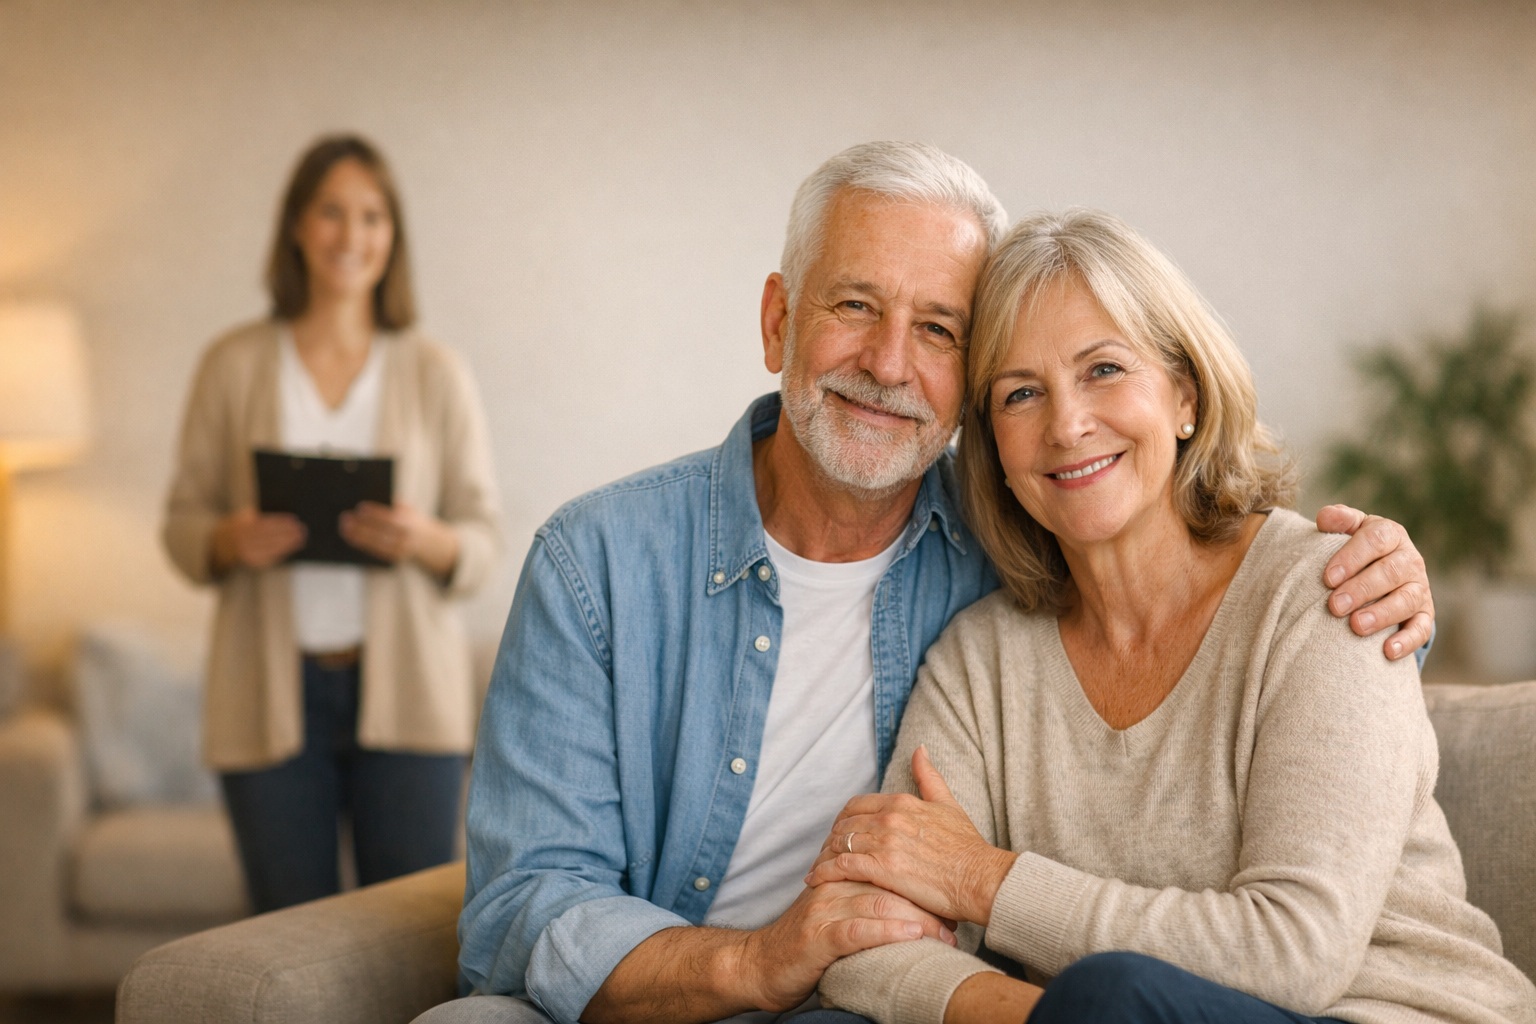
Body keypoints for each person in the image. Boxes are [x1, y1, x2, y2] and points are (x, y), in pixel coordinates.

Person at [436, 143, 1436, 1024]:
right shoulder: (604, 561)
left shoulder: (1296, 584)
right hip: (698, 983)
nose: (887, 363)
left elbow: (1296, 894)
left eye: (939, 331)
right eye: (855, 305)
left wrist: (1385, 596)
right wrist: (757, 962)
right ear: (779, 321)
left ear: (1184, 391)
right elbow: (524, 906)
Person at [805, 209, 1536, 1024]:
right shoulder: (980, 664)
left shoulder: (1330, 592)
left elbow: (1294, 953)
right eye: (1021, 394)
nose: (1067, 424)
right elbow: (863, 946)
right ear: (994, 450)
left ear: (1184, 395)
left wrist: (981, 879)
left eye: (1104, 369)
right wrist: (1047, 1016)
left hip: (1391, 1013)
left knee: (1112, 995)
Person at [162, 134, 503, 913]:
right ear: (296, 225)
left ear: (393, 235)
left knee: (405, 940)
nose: (352, 235)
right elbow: (181, 523)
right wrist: (226, 539)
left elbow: (483, 538)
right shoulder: (231, 363)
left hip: (410, 699)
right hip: (265, 697)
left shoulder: (435, 370)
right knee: (285, 942)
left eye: (372, 216)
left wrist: (426, 540)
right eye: (331, 212)